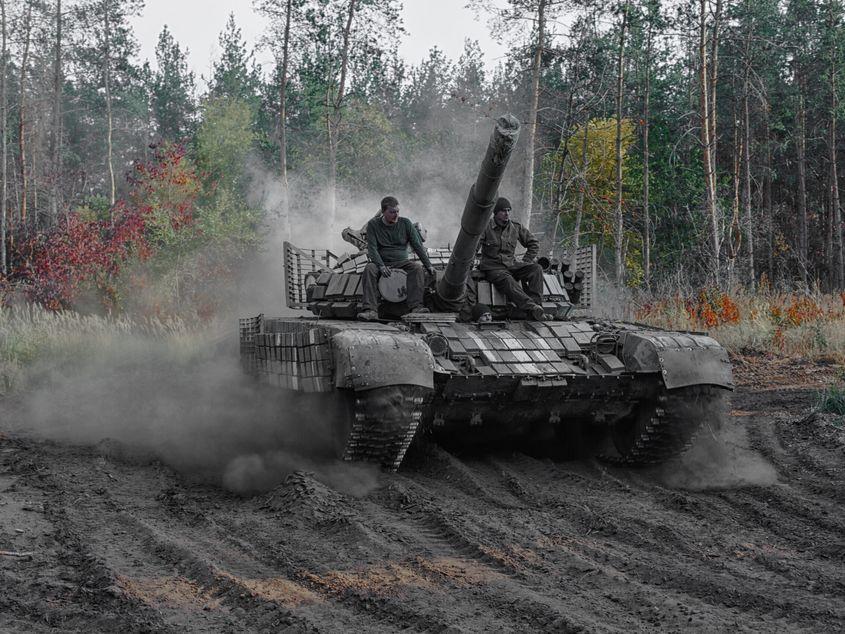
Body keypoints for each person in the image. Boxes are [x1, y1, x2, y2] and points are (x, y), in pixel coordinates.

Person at [357, 196, 436, 321]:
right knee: (369, 269)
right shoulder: (373, 225)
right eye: (392, 212)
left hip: (402, 262)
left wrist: (429, 265)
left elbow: (417, 245)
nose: (396, 215)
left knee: (416, 268)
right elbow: (372, 248)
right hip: (382, 262)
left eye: (397, 211)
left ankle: (416, 307)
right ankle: (370, 310)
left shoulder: (405, 223)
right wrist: (381, 265)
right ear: (383, 212)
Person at [478, 197, 547, 321]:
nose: (507, 213)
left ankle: (537, 308)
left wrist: (526, 261)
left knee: (536, 269)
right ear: (496, 212)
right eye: (503, 211)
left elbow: (533, 243)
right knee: (508, 280)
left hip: (511, 265)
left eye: (509, 210)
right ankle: (531, 307)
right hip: (493, 268)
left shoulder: (515, 227)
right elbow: (473, 247)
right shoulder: (485, 227)